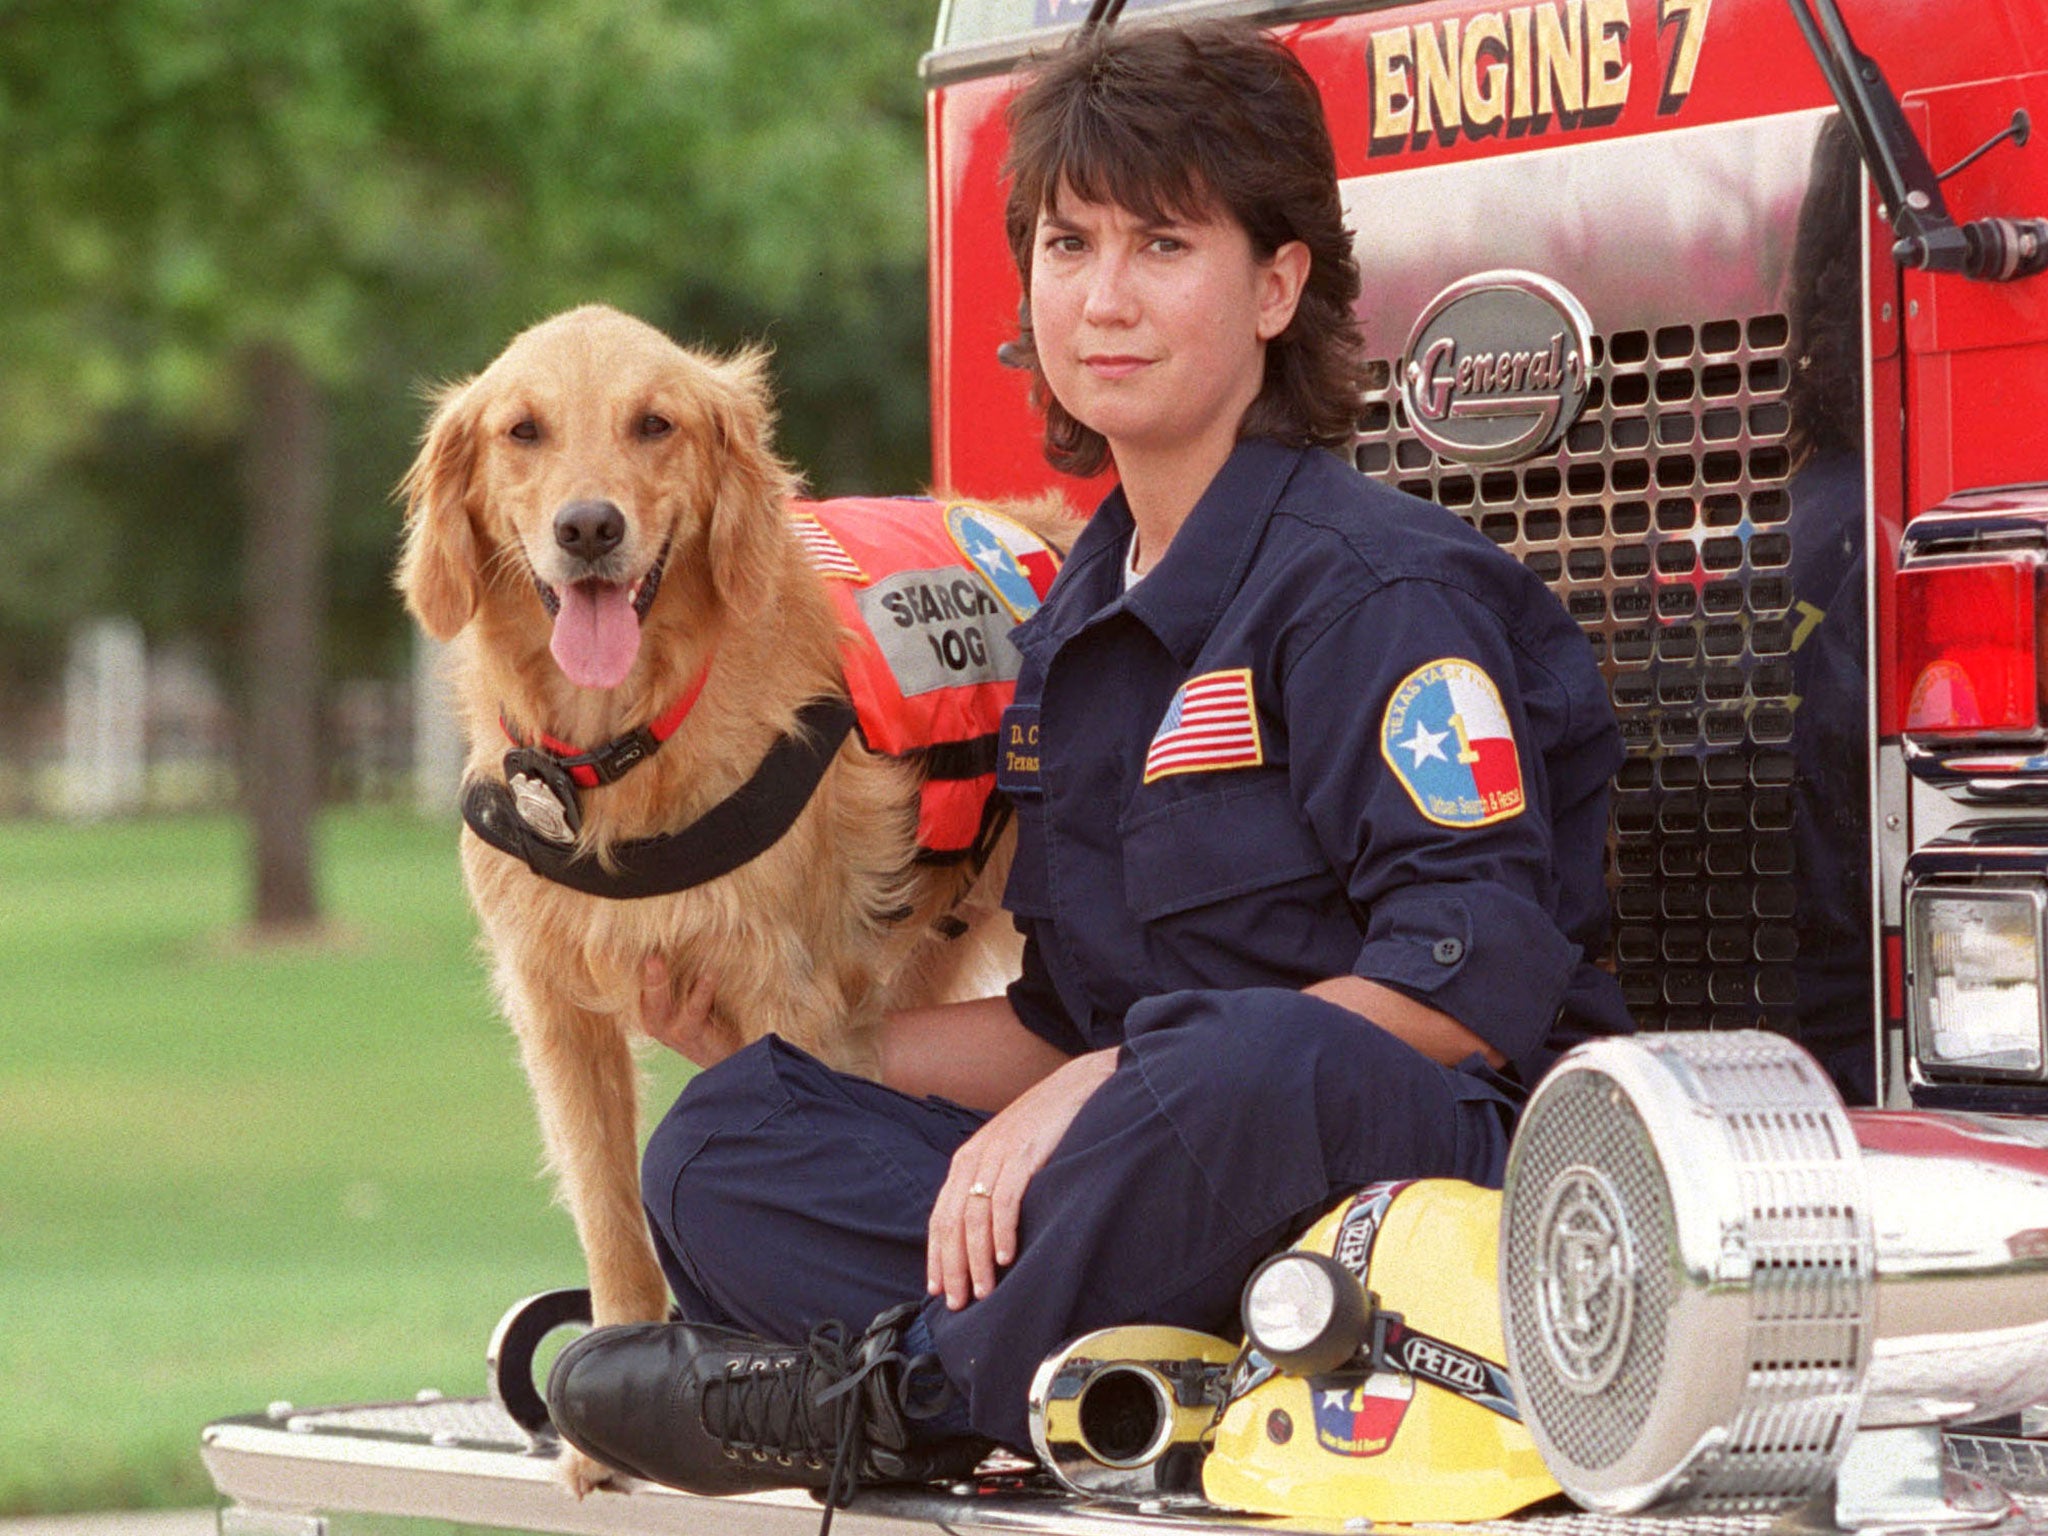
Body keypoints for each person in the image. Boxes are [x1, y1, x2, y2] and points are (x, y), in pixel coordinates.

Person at [545, 16, 1632, 1514]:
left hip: (1408, 1186)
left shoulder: (1378, 595)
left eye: (1161, 247)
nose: (1102, 298)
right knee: (731, 1137)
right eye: (1067, 246)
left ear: (1276, 284)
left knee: (1251, 1056)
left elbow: (1469, 989)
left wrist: (1122, 1076)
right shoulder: (1073, 619)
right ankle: (1108, 1370)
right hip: (1148, 1185)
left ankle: (902, 1396)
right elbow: (1059, 1022)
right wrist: (779, 1047)